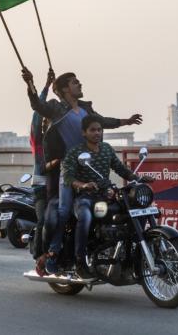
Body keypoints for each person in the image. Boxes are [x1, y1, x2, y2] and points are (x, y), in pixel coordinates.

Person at [21, 68, 143, 272]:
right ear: (64, 89)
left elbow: (104, 122)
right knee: (62, 213)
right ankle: (54, 253)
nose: (80, 84)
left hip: (92, 169)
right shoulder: (56, 109)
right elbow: (37, 105)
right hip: (68, 171)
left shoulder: (86, 109)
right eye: (75, 82)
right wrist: (31, 84)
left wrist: (127, 121)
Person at [57, 115, 154, 279]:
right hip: (85, 198)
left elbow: (120, 169)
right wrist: (83, 185)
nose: (97, 133)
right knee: (85, 217)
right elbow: (68, 177)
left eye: (99, 130)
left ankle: (129, 258)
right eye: (92, 130)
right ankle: (80, 262)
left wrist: (138, 179)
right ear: (84, 133)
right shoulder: (76, 153)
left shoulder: (107, 149)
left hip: (105, 197)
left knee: (134, 210)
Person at [29, 70, 54, 259]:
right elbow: (37, 112)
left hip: (60, 186)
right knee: (44, 220)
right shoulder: (38, 142)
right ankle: (40, 256)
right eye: (45, 122)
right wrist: (44, 87)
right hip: (41, 188)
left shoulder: (60, 141)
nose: (47, 124)